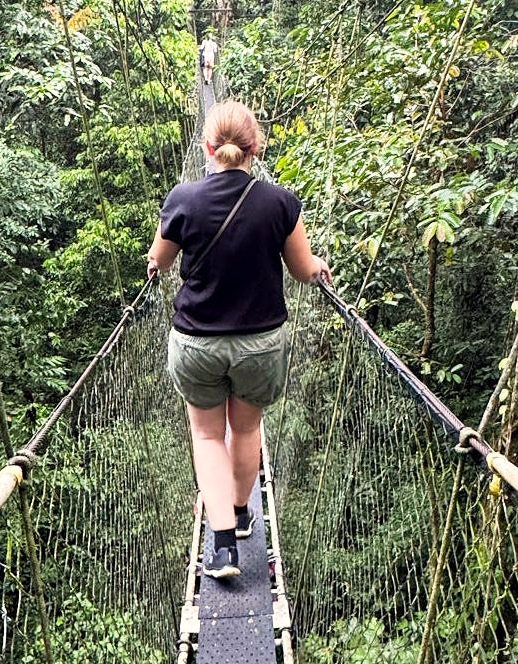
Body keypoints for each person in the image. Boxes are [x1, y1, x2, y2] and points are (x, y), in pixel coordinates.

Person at [147, 101, 331, 579]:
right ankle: (242, 513)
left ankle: (223, 546)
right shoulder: (281, 202)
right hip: (261, 343)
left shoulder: (182, 199)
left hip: (197, 343)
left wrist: (155, 261)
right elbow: (302, 268)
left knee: (208, 434)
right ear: (257, 149)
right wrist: (319, 271)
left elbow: (160, 261)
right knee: (247, 430)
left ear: (206, 148)